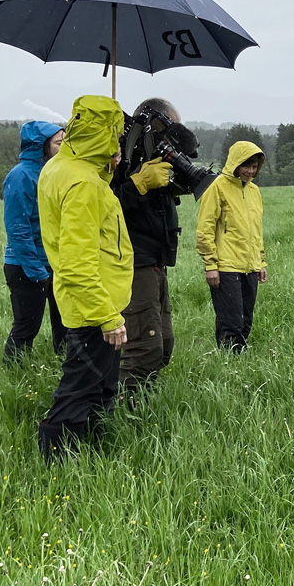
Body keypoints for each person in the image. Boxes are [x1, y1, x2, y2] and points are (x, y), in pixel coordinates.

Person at [36, 95, 133, 463]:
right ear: (105, 133)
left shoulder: (61, 167)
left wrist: (106, 166)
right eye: (117, 135)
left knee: (101, 382)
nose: (120, 142)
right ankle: (57, 461)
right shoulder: (83, 184)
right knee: (81, 384)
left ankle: (95, 447)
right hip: (94, 301)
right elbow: (78, 262)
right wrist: (107, 315)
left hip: (84, 298)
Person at [110, 98, 180, 398]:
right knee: (142, 346)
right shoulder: (118, 158)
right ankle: (125, 412)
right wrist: (137, 183)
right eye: (170, 129)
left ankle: (147, 401)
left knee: (163, 343)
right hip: (133, 263)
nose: (171, 138)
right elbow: (104, 206)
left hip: (155, 260)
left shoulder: (152, 156)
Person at [2, 120, 67, 362]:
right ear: (42, 146)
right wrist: (37, 271)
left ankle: (65, 365)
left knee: (65, 323)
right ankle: (13, 373)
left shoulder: (54, 173)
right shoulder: (20, 176)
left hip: (55, 262)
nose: (64, 147)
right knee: (27, 327)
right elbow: (18, 228)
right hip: (25, 266)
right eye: (59, 143)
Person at [195, 141, 267, 352]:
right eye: (246, 166)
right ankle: (227, 364)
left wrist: (261, 262)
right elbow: (204, 229)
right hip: (225, 267)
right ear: (235, 163)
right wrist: (211, 266)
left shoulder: (254, 191)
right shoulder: (217, 188)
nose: (250, 171)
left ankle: (241, 362)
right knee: (231, 321)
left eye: (254, 166)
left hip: (250, 266)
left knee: (246, 320)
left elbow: (256, 231)